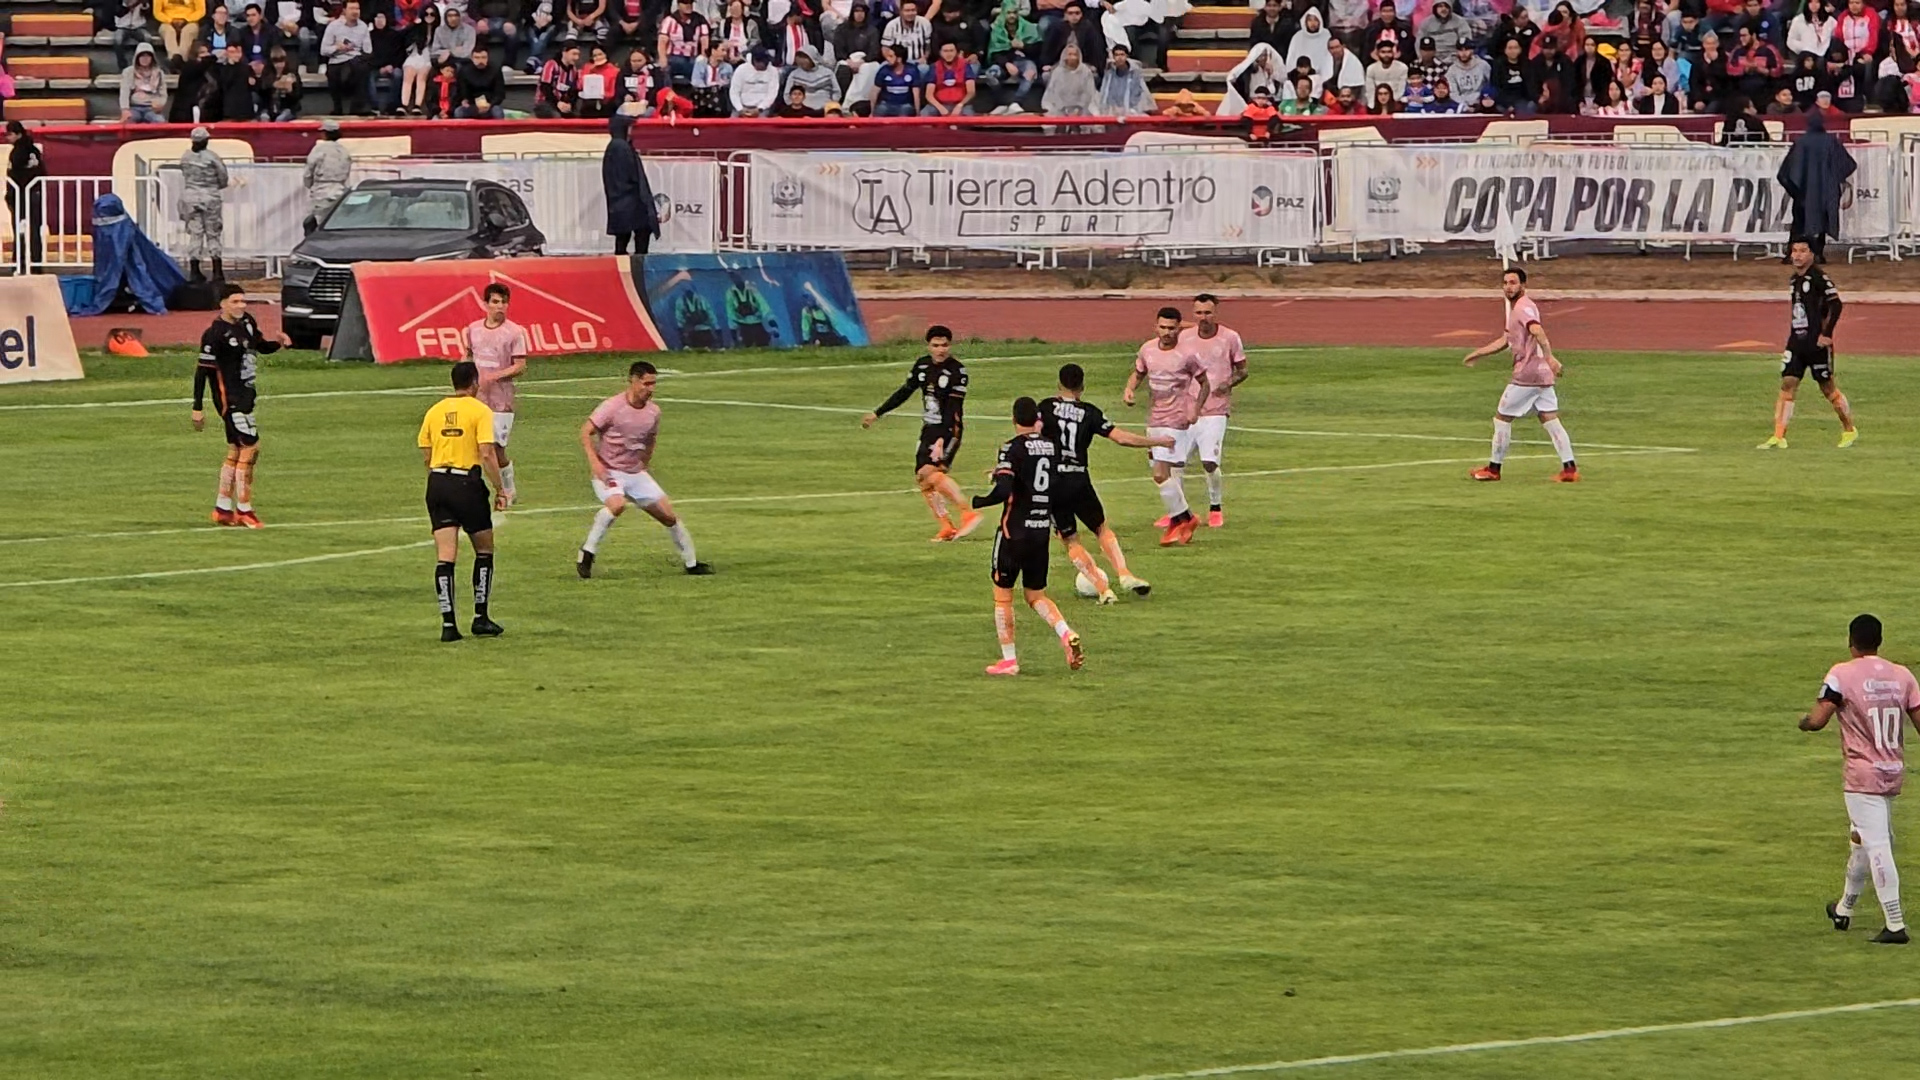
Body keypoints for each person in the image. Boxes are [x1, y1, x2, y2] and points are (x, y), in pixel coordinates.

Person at [1800, 613, 1919, 945]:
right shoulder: (1903, 675)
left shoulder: (1842, 673)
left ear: (1851, 641)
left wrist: (1804, 722)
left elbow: (1819, 720)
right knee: (1862, 838)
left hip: (1862, 775)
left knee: (1878, 844)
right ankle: (1844, 909)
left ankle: (1895, 924)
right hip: (1892, 770)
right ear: (1879, 641)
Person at [1039, 363, 1169, 604]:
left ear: (1059, 384)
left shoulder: (1045, 407)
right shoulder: (1090, 412)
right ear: (1082, 386)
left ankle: (1103, 590)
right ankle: (1125, 574)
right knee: (1101, 528)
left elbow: (1030, 438)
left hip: (1053, 482)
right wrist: (1156, 441)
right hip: (1079, 479)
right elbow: (1121, 438)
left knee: (1070, 540)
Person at [975, 396, 1084, 677]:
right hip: (1040, 532)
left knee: (1003, 596)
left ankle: (1009, 660)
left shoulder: (1011, 448)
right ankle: (1065, 631)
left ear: (1014, 420)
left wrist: (980, 501)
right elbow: (1053, 486)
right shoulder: (1051, 447)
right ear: (1037, 420)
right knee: (1036, 594)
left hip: (1013, 532)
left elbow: (1004, 489)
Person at [576, 361, 714, 579]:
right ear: (633, 381)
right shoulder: (612, 407)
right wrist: (595, 463)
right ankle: (587, 552)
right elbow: (585, 432)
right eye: (646, 384)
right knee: (617, 505)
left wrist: (645, 463)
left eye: (653, 384)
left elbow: (650, 439)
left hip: (635, 473)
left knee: (669, 517)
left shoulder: (653, 412)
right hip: (610, 471)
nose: (651, 389)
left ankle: (692, 563)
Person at [861, 325, 984, 543]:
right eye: (936, 345)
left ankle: (968, 513)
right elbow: (905, 391)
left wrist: (943, 438)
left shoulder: (957, 371)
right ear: (928, 346)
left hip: (949, 430)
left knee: (931, 472)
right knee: (922, 478)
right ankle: (946, 526)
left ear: (950, 346)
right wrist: (878, 413)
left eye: (944, 345)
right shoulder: (922, 366)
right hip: (929, 428)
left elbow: (953, 410)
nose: (940, 350)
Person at [420, 361, 509, 641]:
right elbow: (486, 453)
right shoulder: (480, 411)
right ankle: (480, 617)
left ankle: (448, 625)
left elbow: (426, 452)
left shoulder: (435, 411)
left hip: (437, 483)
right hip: (466, 484)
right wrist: (500, 488)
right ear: (474, 383)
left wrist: (438, 479)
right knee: (484, 550)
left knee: (445, 556)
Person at [1463, 267, 1577, 483]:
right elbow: (1505, 340)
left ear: (1523, 285)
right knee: (1549, 418)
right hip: (1542, 376)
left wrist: (1550, 357)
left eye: (1513, 282)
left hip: (1527, 374)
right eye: (1505, 283)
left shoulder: (1524, 308)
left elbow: (1537, 330)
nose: (1508, 287)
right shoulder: (1517, 309)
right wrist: (1478, 354)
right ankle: (1569, 469)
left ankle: (1494, 469)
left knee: (1502, 418)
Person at [193, 282, 290, 529]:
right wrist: (197, 407)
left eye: (243, 301)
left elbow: (259, 345)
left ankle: (222, 508)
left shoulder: (247, 322)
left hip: (246, 397)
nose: (241, 306)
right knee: (251, 447)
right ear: (222, 304)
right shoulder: (215, 334)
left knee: (236, 450)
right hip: (230, 400)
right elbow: (202, 372)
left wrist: (278, 343)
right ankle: (245, 510)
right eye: (235, 301)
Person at [1123, 306, 1212, 547]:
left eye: (1172, 328)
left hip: (1176, 420)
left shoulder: (1187, 355)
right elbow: (1138, 373)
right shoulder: (1147, 349)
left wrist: (1196, 409)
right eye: (1162, 327)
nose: (1167, 332)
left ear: (1178, 329)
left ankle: (1183, 519)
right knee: (1162, 474)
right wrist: (1129, 389)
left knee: (1160, 473)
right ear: (1156, 327)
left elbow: (1205, 384)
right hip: (1155, 419)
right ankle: (1182, 520)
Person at [1760, 237, 1856, 449]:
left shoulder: (1819, 278)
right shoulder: (1794, 280)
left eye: (1802, 251)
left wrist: (1826, 334)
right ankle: (1779, 436)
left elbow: (1836, 305)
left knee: (1827, 388)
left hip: (1817, 343)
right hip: (1797, 342)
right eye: (1794, 250)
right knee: (1787, 384)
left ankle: (1849, 429)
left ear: (1812, 254)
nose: (1797, 255)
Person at [1174, 293, 1248, 529]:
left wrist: (1228, 384)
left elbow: (1243, 370)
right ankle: (1179, 513)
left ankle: (1215, 507)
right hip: (1187, 409)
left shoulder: (1229, 338)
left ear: (1215, 313)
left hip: (1215, 410)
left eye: (1207, 312)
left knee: (1209, 462)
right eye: (1198, 313)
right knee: (1175, 462)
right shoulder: (1185, 338)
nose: (1203, 317)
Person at [459, 282, 530, 505]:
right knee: (475, 446)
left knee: (496, 449)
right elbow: (467, 357)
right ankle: (475, 489)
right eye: (496, 302)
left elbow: (520, 366)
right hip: (476, 399)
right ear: (486, 304)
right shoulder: (473, 330)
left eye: (504, 302)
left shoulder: (515, 333)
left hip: (501, 401)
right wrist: (463, 378)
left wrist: (493, 376)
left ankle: (508, 488)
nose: (500, 306)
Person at [1778, 109, 1855, 264]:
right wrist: (1834, 179)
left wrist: (1795, 191)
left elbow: (1785, 173)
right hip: (1827, 191)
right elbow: (1849, 164)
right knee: (1822, 223)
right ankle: (1817, 253)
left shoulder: (1801, 142)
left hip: (1804, 192)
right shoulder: (1832, 141)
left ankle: (1792, 255)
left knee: (1799, 223)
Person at [603, 110, 660, 255]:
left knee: (624, 236)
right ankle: (637, 261)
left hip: (622, 200)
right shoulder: (621, 147)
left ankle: (626, 261)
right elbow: (631, 174)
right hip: (629, 200)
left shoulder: (616, 146)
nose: (631, 131)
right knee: (640, 232)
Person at [177, 127, 228, 283]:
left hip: (190, 197)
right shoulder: (212, 157)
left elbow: (184, 174)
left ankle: (195, 271)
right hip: (210, 196)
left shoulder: (185, 157)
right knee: (213, 233)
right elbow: (223, 177)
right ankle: (217, 271)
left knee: (195, 233)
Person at [6, 121, 47, 274]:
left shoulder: (18, 152)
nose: (7, 138)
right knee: (34, 230)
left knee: (20, 230)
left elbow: (15, 174)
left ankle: (19, 262)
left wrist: (11, 196)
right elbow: (42, 172)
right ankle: (36, 263)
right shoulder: (34, 150)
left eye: (10, 134)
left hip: (21, 196)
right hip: (34, 194)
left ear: (18, 134)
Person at [321, 0, 372, 113]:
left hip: (356, 60)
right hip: (337, 60)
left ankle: (356, 109)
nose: (355, 12)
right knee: (334, 72)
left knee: (361, 68)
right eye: (352, 9)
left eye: (357, 9)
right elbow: (323, 50)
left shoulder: (363, 27)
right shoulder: (333, 26)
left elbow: (368, 50)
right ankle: (338, 108)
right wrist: (337, 47)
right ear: (344, 10)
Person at [302, 118, 351, 232]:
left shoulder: (319, 149)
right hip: (340, 189)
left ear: (325, 133)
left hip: (322, 190)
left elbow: (309, 169)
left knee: (317, 223)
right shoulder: (343, 150)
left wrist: (309, 184)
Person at [1096, 43, 1158, 115]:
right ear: (1113, 57)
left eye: (1122, 55)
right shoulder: (1109, 73)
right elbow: (1104, 93)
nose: (1119, 58)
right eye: (1117, 55)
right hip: (1112, 111)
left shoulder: (1135, 73)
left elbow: (1139, 94)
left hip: (1133, 111)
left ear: (1127, 56)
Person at [121, 41, 171, 123]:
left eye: (148, 56)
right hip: (134, 107)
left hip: (151, 108)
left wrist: (160, 104)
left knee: (160, 121)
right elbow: (124, 92)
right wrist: (125, 109)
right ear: (137, 57)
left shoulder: (159, 73)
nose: (145, 58)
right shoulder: (128, 72)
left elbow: (163, 93)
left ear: (152, 58)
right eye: (142, 56)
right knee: (128, 121)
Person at [729, 47, 781, 115]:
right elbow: (734, 92)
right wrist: (740, 108)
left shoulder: (773, 71)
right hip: (741, 107)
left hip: (763, 109)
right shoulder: (741, 70)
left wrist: (760, 108)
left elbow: (772, 93)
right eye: (763, 62)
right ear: (755, 61)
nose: (766, 64)